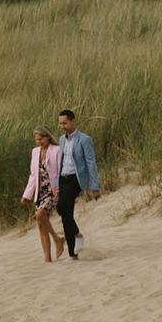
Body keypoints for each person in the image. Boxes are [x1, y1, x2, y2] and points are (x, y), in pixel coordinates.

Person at [55, 109, 101, 260]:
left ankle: (77, 236)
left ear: (72, 121)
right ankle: (72, 253)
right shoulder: (61, 139)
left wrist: (94, 186)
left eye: (65, 123)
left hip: (76, 179)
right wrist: (56, 184)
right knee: (66, 214)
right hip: (63, 178)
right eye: (60, 123)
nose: (62, 126)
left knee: (61, 207)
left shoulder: (84, 139)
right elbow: (59, 163)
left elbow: (91, 163)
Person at [20, 125, 65, 262]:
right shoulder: (35, 152)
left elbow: (61, 170)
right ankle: (47, 258)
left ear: (48, 137)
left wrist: (60, 187)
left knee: (40, 214)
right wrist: (27, 195)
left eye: (41, 139)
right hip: (39, 192)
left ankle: (57, 239)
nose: (38, 141)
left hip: (53, 190)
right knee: (41, 225)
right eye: (36, 139)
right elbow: (33, 175)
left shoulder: (57, 150)